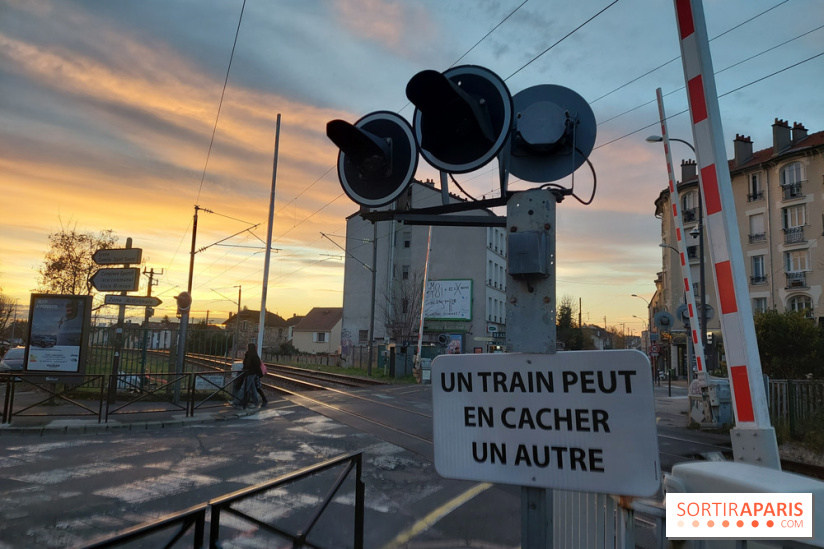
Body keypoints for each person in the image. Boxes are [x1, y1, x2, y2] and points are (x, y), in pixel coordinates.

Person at [237, 343, 264, 409]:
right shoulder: (249, 355)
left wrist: (260, 374)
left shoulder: (253, 356)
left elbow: (256, 366)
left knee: (244, 388)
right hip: (249, 373)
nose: (246, 348)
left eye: (247, 347)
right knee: (252, 388)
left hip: (251, 373)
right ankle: (255, 402)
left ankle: (237, 401)